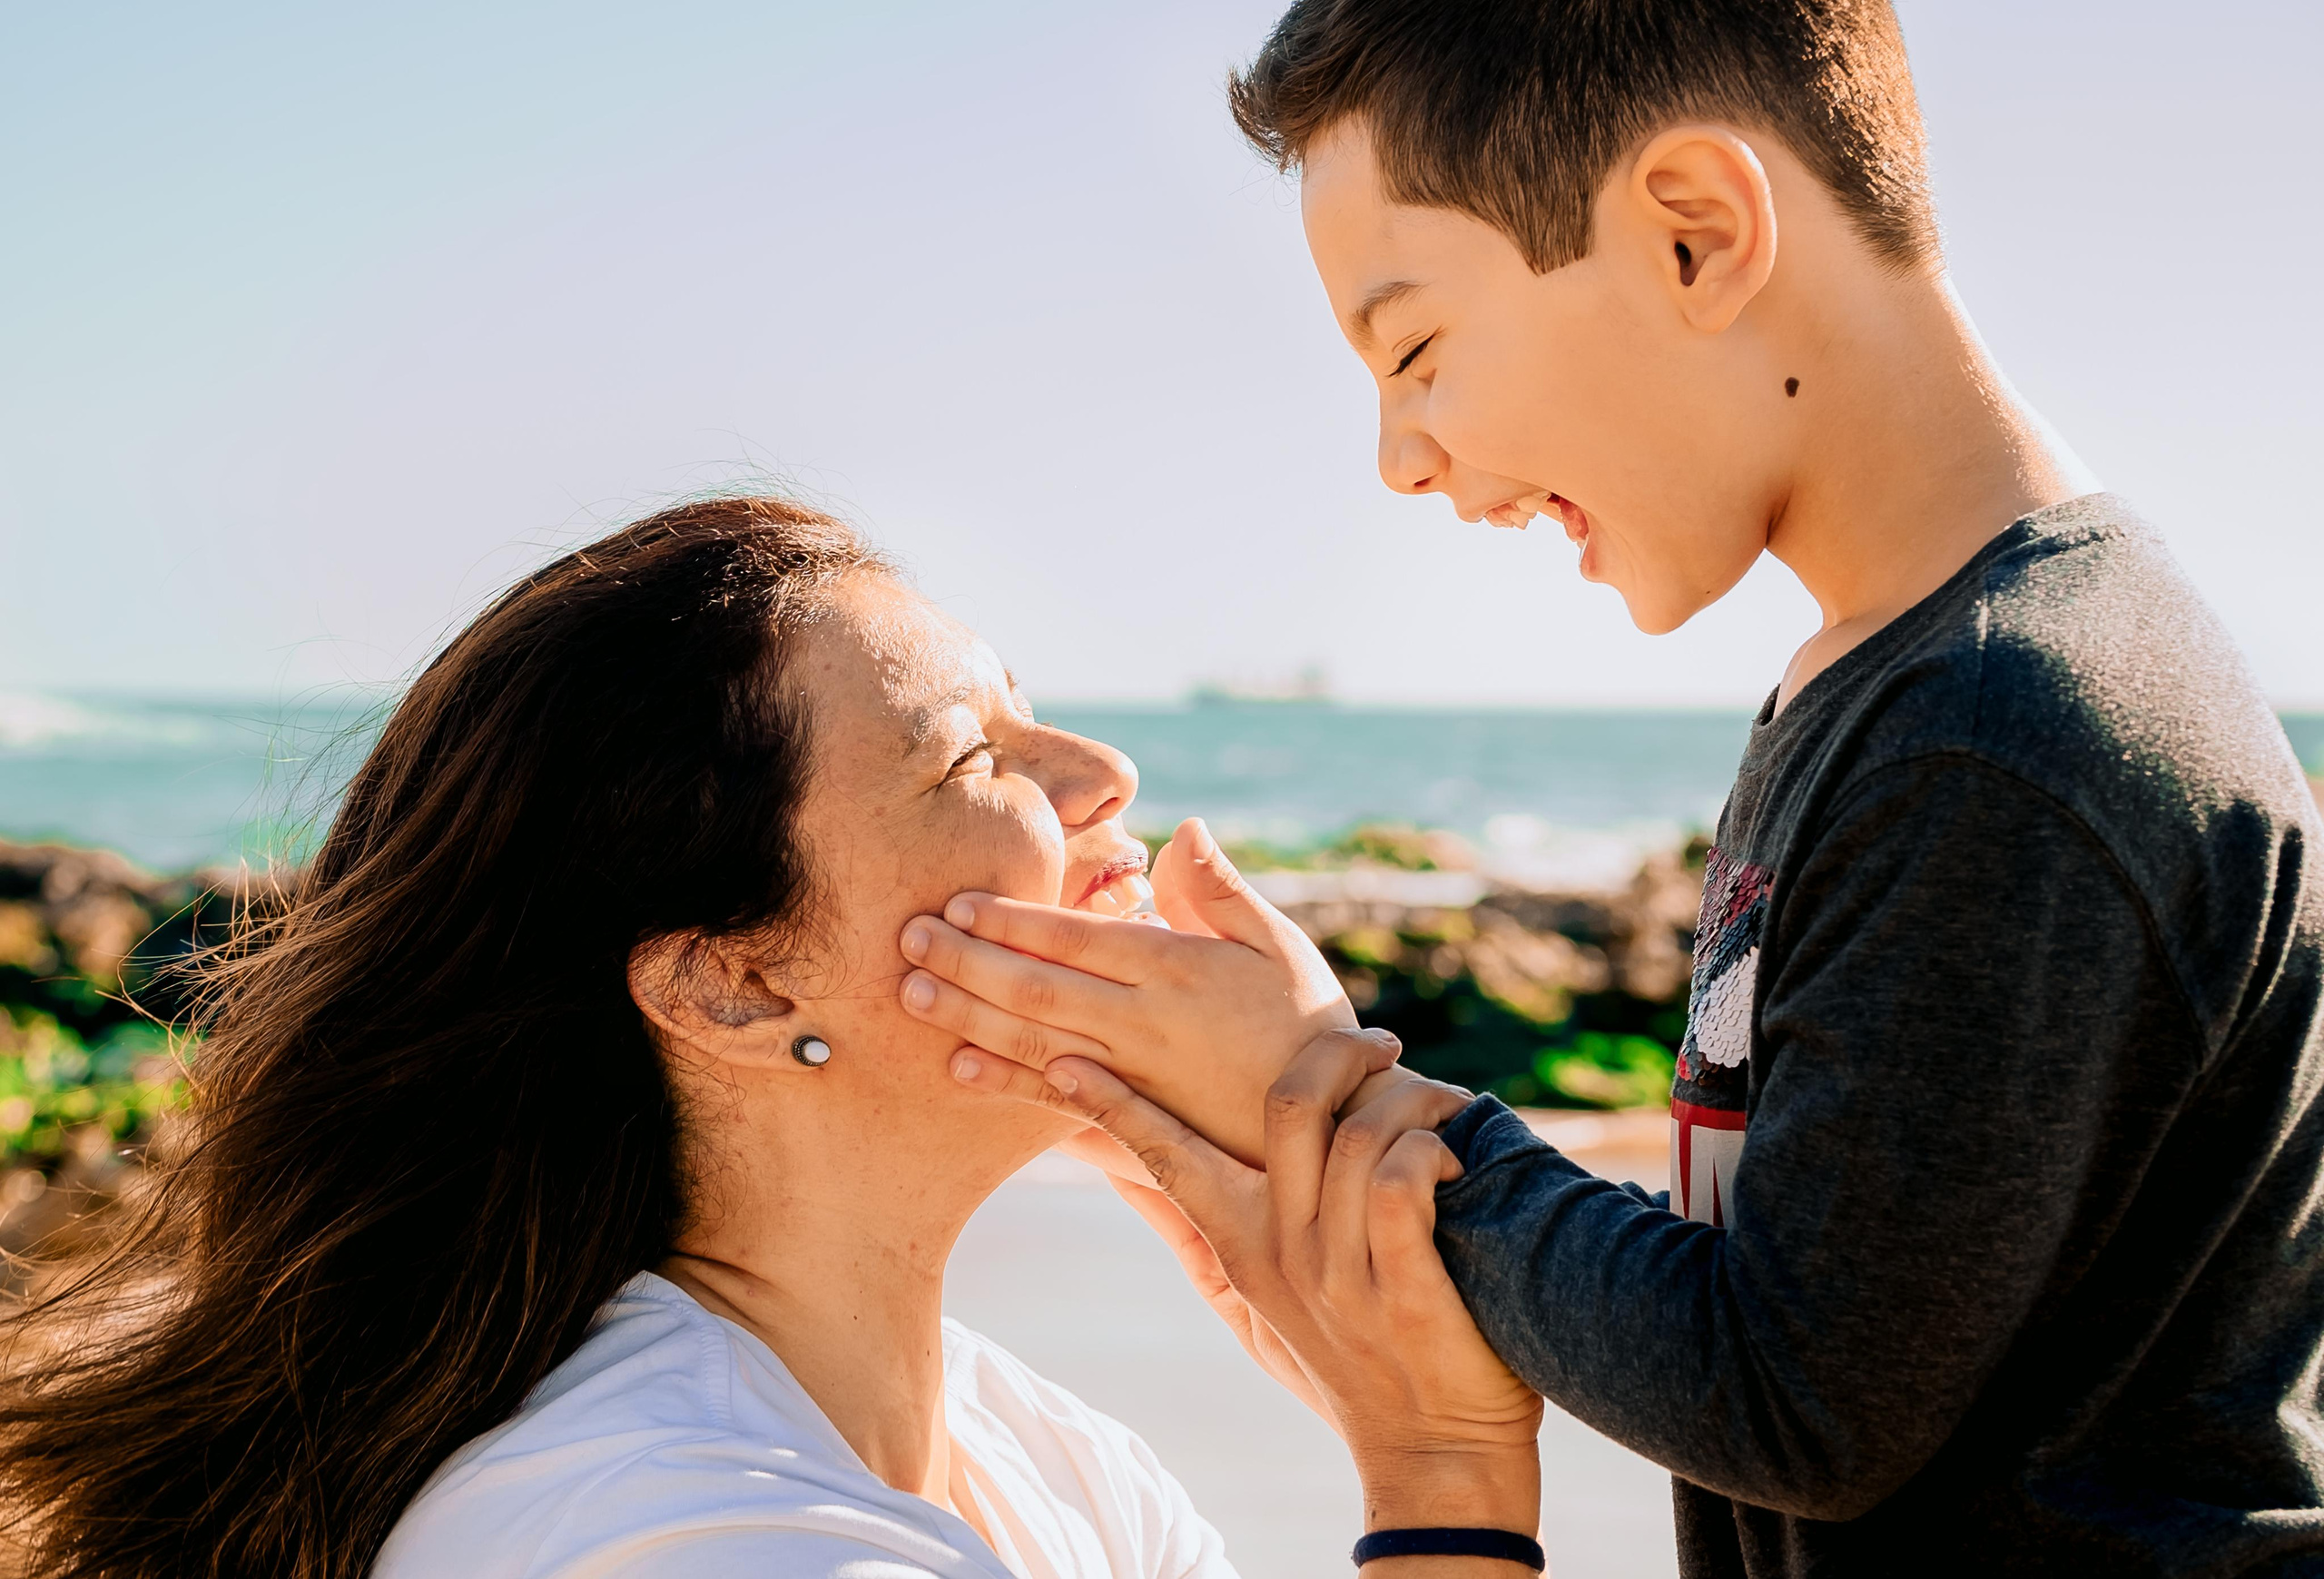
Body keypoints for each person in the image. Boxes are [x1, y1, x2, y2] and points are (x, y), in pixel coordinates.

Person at [893, 3, 2324, 1574]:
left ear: (1698, 235)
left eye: (1417, 351)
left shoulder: (2000, 734)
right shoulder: (1888, 686)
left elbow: (1794, 1398)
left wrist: (1340, 1097)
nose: (1402, 458)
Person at [0, 496, 1507, 1579]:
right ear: (735, 987)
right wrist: (1438, 1479)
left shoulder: (1037, 1458)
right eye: (975, 755)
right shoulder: (664, 1526)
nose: (1104, 771)